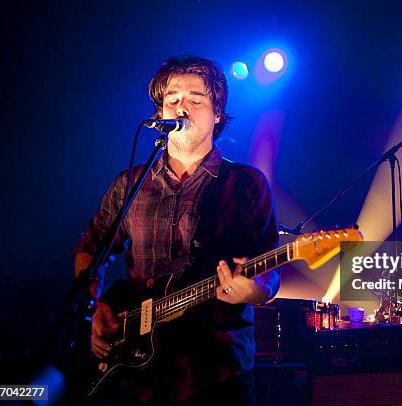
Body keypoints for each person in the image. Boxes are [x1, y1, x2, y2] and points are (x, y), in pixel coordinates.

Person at [74, 55, 280, 405]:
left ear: (217, 115)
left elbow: (271, 276)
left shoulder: (245, 184)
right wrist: (94, 307)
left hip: (216, 372)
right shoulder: (129, 184)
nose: (182, 107)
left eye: (196, 99)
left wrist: (254, 292)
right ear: (159, 116)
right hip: (136, 376)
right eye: (172, 100)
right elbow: (90, 250)